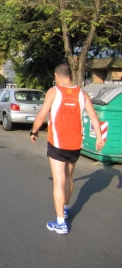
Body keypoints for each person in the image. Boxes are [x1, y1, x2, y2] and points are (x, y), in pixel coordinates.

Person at [30, 63, 105, 234]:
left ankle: (61, 223)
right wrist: (99, 138)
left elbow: (42, 115)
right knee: (69, 177)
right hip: (75, 145)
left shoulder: (54, 91)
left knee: (59, 181)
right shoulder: (82, 93)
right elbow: (93, 116)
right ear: (70, 75)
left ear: (57, 75)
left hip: (57, 143)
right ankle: (64, 208)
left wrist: (33, 131)